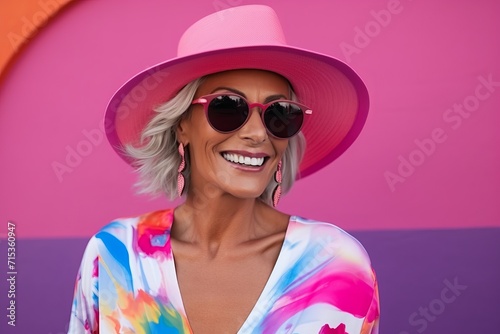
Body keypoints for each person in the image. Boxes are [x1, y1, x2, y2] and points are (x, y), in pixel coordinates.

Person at [68, 5, 379, 334]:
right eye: (228, 107)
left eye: (280, 113)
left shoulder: (336, 266)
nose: (259, 134)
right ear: (182, 125)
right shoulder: (114, 257)